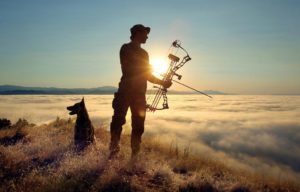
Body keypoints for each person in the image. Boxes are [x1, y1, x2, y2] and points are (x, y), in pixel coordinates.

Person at [109, 24, 172, 158]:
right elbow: (129, 69)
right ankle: (113, 152)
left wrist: (163, 82)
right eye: (145, 33)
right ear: (137, 33)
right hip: (125, 91)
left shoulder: (145, 54)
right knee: (118, 121)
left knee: (138, 126)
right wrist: (147, 71)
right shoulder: (125, 48)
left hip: (139, 94)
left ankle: (135, 157)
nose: (147, 36)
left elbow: (147, 75)